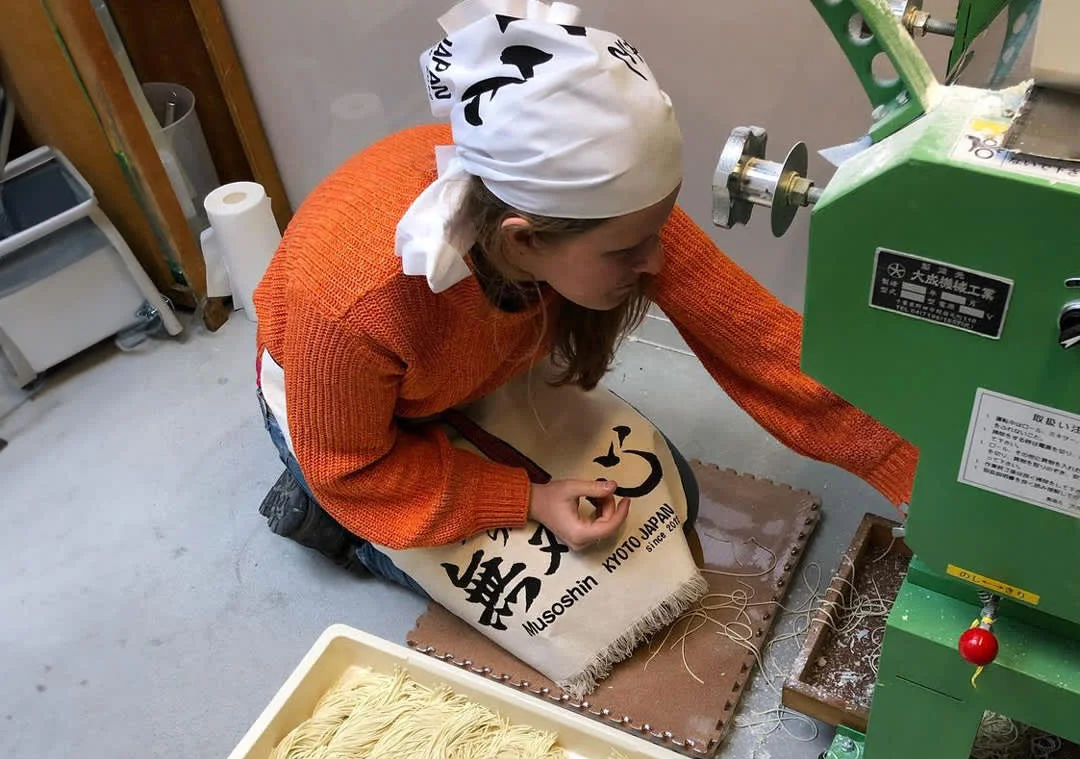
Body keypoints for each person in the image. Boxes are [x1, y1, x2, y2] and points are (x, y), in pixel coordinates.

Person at [254, 1, 916, 592]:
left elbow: (759, 343)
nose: (658, 260)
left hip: (462, 374)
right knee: (564, 595)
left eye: (656, 232)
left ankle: (451, 449)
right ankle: (321, 515)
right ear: (521, 243)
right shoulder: (351, 303)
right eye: (628, 253)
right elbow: (351, 468)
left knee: (670, 499)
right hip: (341, 427)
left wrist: (916, 467)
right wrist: (528, 500)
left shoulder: (602, 215)